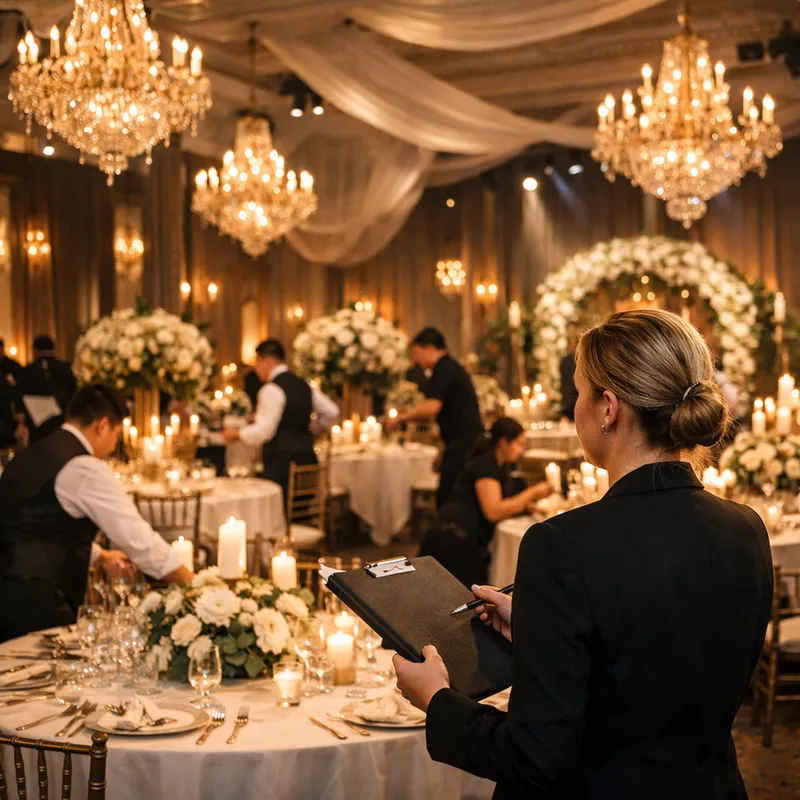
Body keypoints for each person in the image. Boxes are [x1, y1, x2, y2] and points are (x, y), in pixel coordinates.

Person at [394, 309, 773, 799]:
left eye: (578, 392)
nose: (576, 408)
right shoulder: (747, 528)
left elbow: (535, 757)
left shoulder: (561, 544)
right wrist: (542, 627)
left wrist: (437, 699)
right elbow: (662, 654)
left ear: (608, 408)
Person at [0, 384, 193, 642]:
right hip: (39, 603)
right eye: (116, 435)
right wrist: (192, 583)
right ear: (102, 426)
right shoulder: (85, 467)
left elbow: (35, 525)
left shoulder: (32, 454)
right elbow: (138, 540)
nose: (114, 447)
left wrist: (100, 555)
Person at [420, 417, 552, 587]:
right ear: (504, 442)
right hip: (452, 539)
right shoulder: (485, 465)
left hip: (463, 539)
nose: (522, 450)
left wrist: (524, 508)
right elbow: (494, 511)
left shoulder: (499, 466)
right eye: (519, 444)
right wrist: (532, 493)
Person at [222, 339, 339, 500]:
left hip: (281, 470)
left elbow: (264, 431)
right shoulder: (303, 384)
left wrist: (236, 434)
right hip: (308, 467)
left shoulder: (271, 389)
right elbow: (331, 412)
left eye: (257, 363)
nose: (256, 370)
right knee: (299, 511)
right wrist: (311, 431)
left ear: (268, 362)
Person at [387, 328, 483, 507]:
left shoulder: (443, 368)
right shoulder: (450, 366)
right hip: (464, 441)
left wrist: (400, 417)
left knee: (449, 498)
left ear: (430, 348)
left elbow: (432, 407)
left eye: (417, 353)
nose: (416, 360)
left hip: (463, 443)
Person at [20, 334, 78, 442]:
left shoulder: (28, 370)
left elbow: (21, 397)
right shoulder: (66, 368)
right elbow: (74, 392)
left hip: (37, 423)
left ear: (35, 351)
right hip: (62, 420)